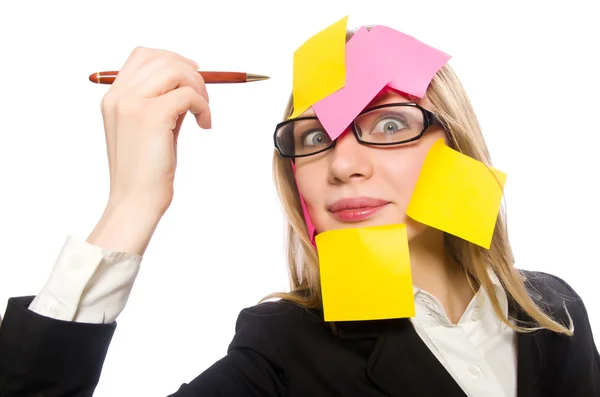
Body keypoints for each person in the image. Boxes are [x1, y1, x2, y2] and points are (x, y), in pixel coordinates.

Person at [0, 26, 599, 397]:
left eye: (388, 123)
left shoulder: (554, 308)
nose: (342, 165)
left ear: (458, 145)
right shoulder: (281, 351)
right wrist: (130, 205)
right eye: (314, 137)